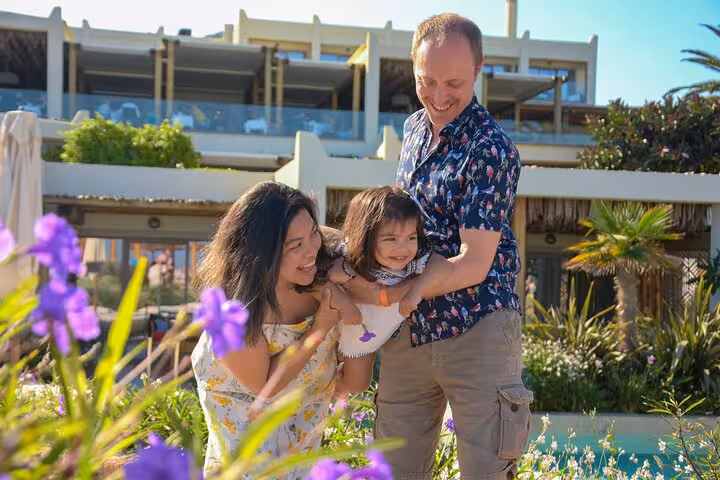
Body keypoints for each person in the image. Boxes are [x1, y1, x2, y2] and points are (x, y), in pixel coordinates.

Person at [342, 13, 532, 479]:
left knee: (487, 472)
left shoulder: (493, 148)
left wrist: (402, 294)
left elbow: (475, 262)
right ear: (413, 68)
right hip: (410, 331)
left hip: (477, 326)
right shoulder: (412, 130)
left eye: (455, 82)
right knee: (392, 469)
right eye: (427, 81)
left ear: (479, 71)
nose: (440, 96)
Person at [191, 181, 373, 479]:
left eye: (312, 232)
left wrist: (338, 282)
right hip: (247, 435)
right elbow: (264, 386)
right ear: (263, 253)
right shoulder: (235, 309)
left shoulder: (319, 262)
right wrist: (320, 328)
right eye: (295, 245)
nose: (311, 249)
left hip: (303, 428)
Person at [328, 186, 445, 359]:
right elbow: (321, 280)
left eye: (411, 238)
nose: (403, 248)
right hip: (339, 329)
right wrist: (344, 303)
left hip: (370, 335)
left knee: (357, 382)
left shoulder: (415, 263)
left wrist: (416, 291)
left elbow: (442, 265)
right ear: (365, 238)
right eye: (391, 239)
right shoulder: (349, 265)